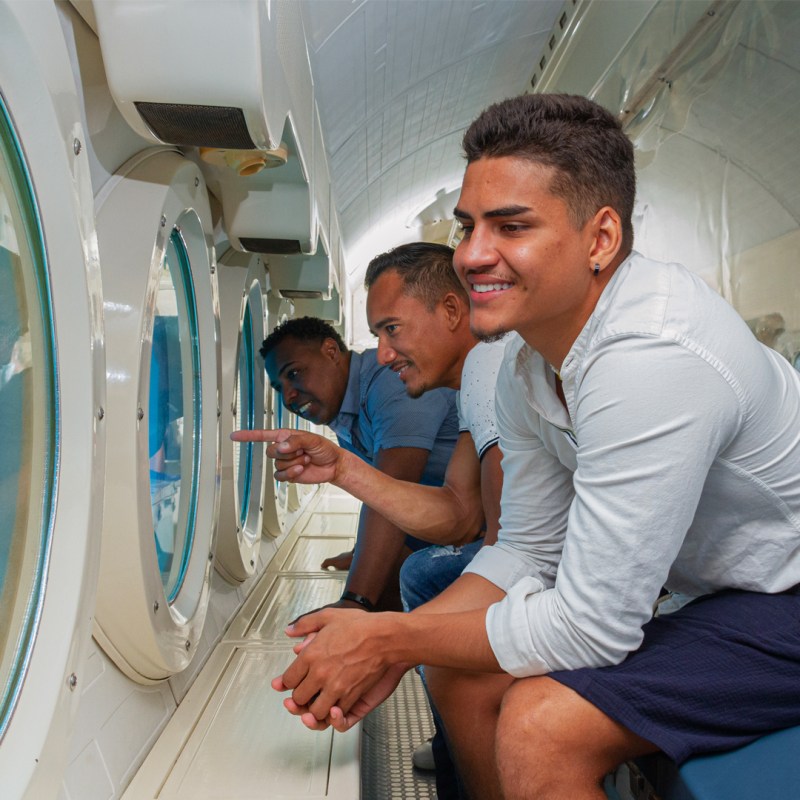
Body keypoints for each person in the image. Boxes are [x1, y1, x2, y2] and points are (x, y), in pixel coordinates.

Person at [243, 94, 800, 800]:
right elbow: (526, 550)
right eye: (468, 226)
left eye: (512, 226)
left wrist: (388, 638)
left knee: (541, 725)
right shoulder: (524, 361)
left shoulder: (652, 359)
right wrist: (398, 639)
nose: (472, 255)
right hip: (729, 594)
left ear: (600, 239)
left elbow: (593, 629)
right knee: (457, 672)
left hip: (784, 597)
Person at [246, 242, 507, 797]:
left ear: (453, 311)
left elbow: (507, 545)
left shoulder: (492, 372)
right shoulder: (475, 387)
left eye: (392, 329)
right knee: (422, 575)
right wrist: (341, 468)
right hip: (506, 550)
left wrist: (372, 618)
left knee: (424, 575)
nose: (384, 353)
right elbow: (460, 514)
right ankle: (457, 755)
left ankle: (464, 755)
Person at [260, 315, 458, 611]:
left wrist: (355, 600)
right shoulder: (343, 409)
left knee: (386, 578)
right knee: (378, 571)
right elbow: (375, 489)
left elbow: (393, 487)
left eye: (295, 373)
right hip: (437, 517)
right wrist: (359, 551)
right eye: (279, 387)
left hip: (483, 522)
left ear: (330, 351)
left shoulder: (391, 382)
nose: (288, 395)